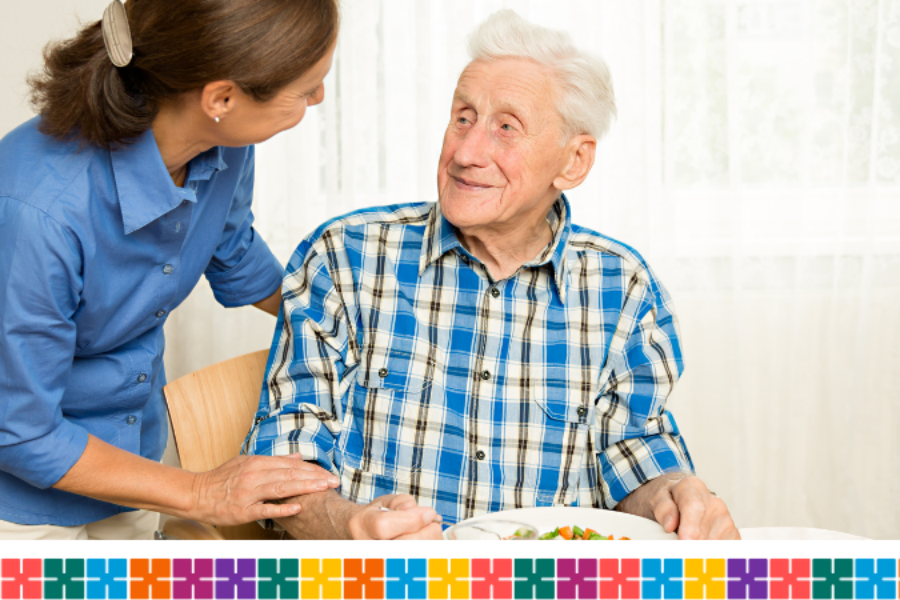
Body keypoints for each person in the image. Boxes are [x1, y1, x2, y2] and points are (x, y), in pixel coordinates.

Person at [243, 9, 740, 541]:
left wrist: (674, 495)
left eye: (506, 127)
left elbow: (632, 451)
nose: (465, 152)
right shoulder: (345, 256)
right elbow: (285, 462)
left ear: (573, 162)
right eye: (462, 117)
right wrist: (351, 527)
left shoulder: (624, 291)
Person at [0, 0, 343, 540]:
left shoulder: (223, 146)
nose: (319, 97)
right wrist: (202, 492)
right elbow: (19, 430)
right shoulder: (39, 211)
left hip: (130, 465)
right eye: (306, 88)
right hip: (16, 506)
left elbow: (230, 249)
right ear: (221, 98)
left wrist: (343, 315)